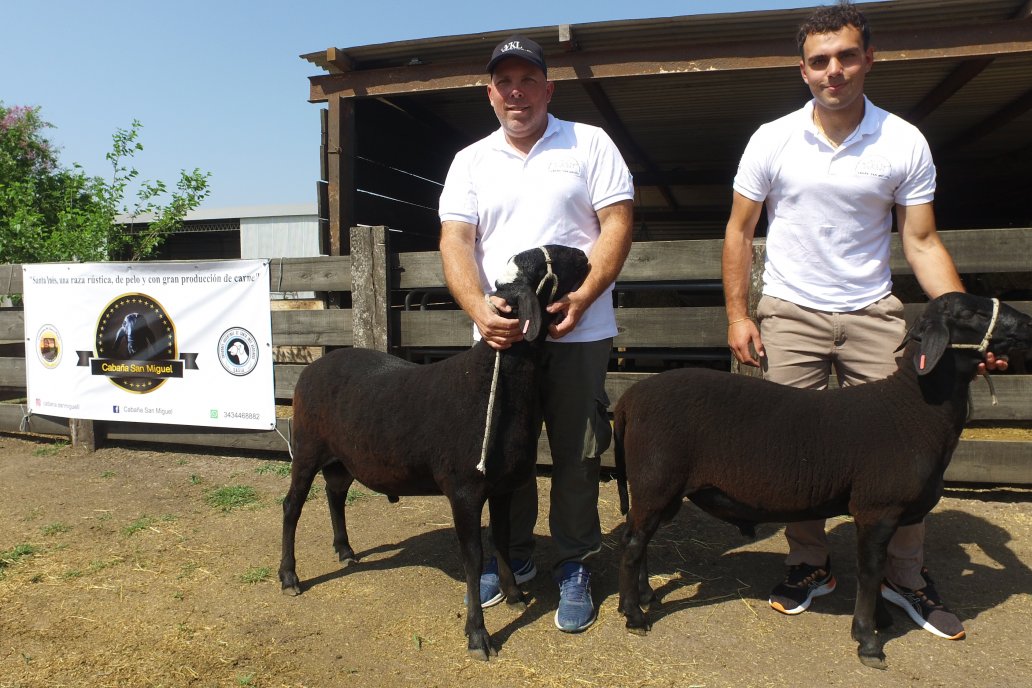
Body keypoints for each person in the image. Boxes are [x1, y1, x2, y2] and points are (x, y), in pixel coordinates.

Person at [721, 1, 1004, 641]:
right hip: (790, 311)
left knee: (903, 453)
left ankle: (905, 576)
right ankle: (808, 566)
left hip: (875, 313)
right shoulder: (771, 138)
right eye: (820, 60)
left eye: (847, 56)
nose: (835, 71)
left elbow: (923, 243)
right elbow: (740, 231)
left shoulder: (903, 140)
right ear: (803, 70)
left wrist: (966, 329)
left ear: (868, 58)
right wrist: (739, 314)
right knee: (792, 449)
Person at [438, 35, 634, 633]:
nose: (516, 92)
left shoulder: (589, 144)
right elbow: (456, 241)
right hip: (504, 337)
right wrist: (478, 309)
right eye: (505, 82)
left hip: (576, 329)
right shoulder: (470, 160)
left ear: (549, 88)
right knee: (505, 451)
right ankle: (512, 551)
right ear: (489, 92)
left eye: (528, 81)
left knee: (576, 451)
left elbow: (617, 222)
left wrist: (584, 295)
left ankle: (574, 560)